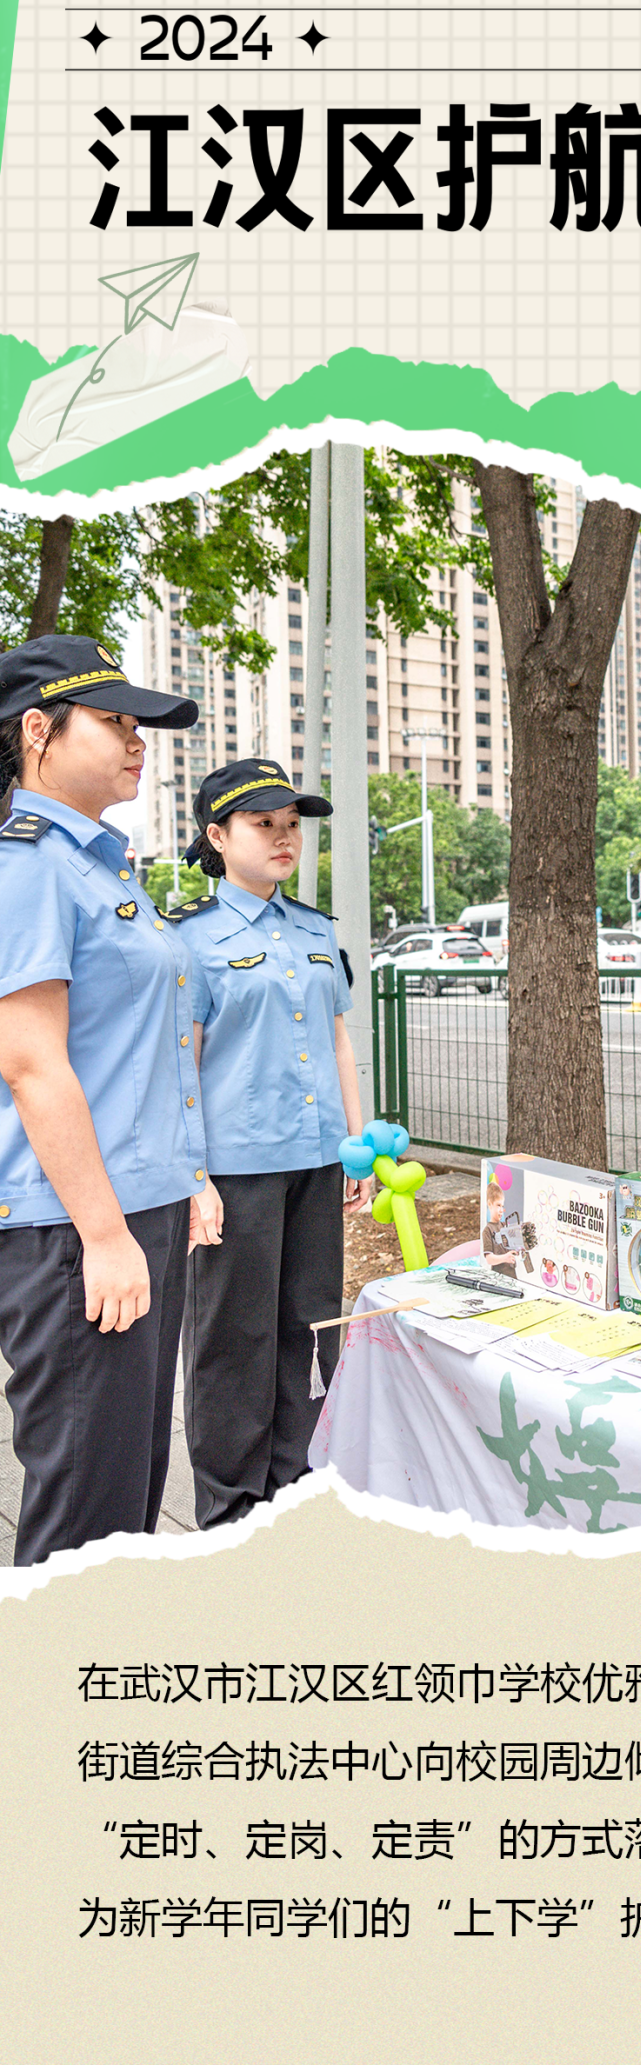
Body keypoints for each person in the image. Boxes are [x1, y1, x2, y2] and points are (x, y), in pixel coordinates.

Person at [0, 634, 219, 1565]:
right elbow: (31, 1063)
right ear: (38, 731)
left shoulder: (101, 864)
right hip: (76, 1225)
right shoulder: (28, 866)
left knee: (126, 1491)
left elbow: (136, 1053)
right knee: (86, 1516)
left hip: (138, 1207)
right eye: (115, 722)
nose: (138, 742)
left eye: (141, 727)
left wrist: (186, 1177)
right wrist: (102, 1234)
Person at [174, 758, 369, 1527]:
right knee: (233, 1342)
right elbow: (180, 1063)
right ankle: (229, 1509)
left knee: (308, 1328)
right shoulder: (190, 939)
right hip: (236, 1173)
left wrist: (356, 1146)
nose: (284, 837)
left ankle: (293, 1490)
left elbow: (338, 1041)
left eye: (291, 825)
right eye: (264, 824)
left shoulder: (316, 930)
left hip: (316, 1163)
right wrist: (194, 1176)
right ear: (218, 837)